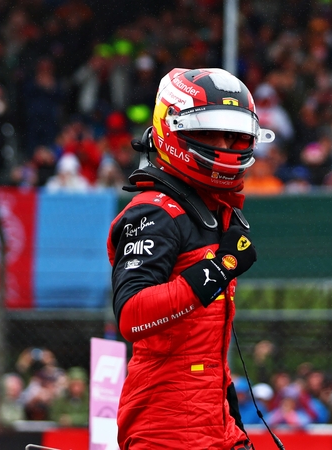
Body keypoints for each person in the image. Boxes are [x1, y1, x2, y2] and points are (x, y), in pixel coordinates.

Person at [107, 67, 274, 449]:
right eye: (208, 133)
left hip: (214, 424)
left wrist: (226, 402)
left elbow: (198, 343)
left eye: (234, 136)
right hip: (166, 428)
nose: (224, 146)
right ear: (173, 129)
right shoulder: (154, 212)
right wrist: (221, 267)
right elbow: (132, 315)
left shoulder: (215, 211)